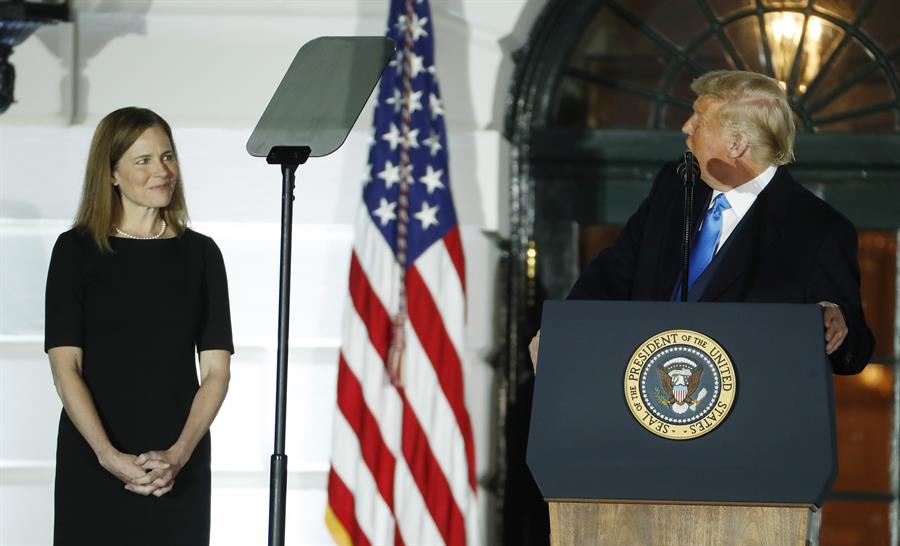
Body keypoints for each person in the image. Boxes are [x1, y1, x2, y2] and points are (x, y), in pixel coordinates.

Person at [529, 70, 873, 375]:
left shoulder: (819, 230)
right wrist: (564, 330)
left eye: (699, 118)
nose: (686, 127)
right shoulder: (674, 186)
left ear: (736, 144)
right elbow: (615, 271)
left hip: (743, 431)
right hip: (646, 408)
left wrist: (834, 321)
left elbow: (853, 348)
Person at [44, 107, 233, 545]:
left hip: (176, 462)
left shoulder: (202, 255)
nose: (162, 171)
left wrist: (179, 456)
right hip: (93, 456)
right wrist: (107, 455)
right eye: (143, 161)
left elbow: (217, 373)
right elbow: (65, 367)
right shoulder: (74, 252)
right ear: (111, 174)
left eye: (167, 157)